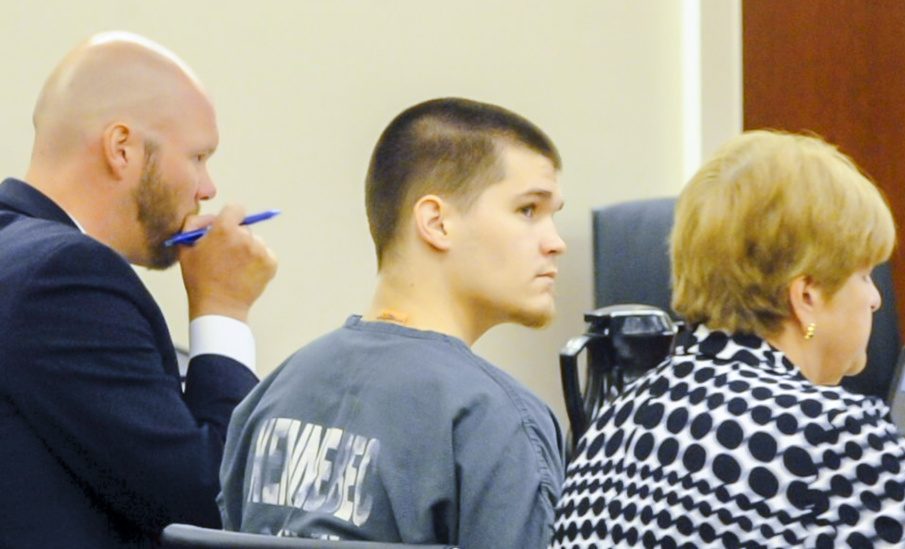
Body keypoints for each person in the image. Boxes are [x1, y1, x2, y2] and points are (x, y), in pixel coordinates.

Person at [552, 130, 905, 548]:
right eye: (863, 275)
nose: (876, 299)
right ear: (806, 296)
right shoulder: (835, 434)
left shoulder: (612, 424)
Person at [219, 97, 565, 547]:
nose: (555, 242)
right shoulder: (496, 421)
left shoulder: (271, 396)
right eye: (528, 211)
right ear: (437, 223)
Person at [0, 32, 277, 548]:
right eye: (197, 156)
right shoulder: (66, 277)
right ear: (121, 148)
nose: (207, 188)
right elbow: (213, 505)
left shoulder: (16, 254)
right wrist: (223, 308)